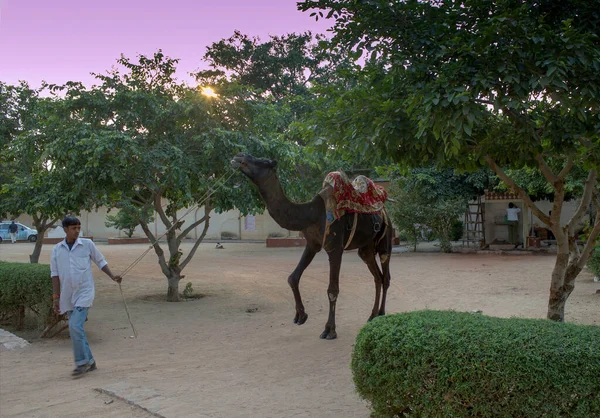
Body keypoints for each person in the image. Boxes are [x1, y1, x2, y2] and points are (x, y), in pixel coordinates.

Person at [50, 216, 122, 377]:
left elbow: (100, 261)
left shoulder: (87, 245)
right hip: (67, 294)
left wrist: (112, 276)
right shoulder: (57, 249)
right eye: (73, 228)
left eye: (78, 227)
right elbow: (54, 274)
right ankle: (90, 361)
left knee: (75, 326)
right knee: (77, 329)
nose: (77, 231)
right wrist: (56, 296)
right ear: (65, 230)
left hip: (84, 292)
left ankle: (81, 363)